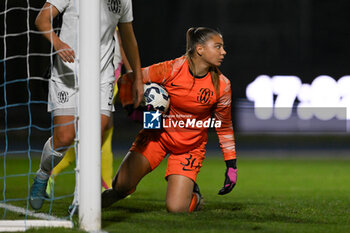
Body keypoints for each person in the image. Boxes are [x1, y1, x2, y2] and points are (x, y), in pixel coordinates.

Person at [102, 27, 238, 213]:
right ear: (200, 49)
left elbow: (224, 127)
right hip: (156, 137)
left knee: (176, 208)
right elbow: (128, 80)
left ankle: (194, 197)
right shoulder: (171, 69)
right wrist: (136, 114)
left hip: (189, 147)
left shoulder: (222, 85)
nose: (224, 52)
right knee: (120, 187)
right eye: (218, 47)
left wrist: (231, 165)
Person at [29, 0, 143, 211]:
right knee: (64, 137)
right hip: (67, 73)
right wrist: (58, 43)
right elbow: (42, 19)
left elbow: (128, 37)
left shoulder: (123, 0)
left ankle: (80, 200)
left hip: (102, 77)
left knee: (93, 137)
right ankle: (43, 174)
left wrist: (137, 77)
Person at [45, 28, 133, 198]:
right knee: (94, 129)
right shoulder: (88, 13)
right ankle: (52, 172)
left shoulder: (114, 9)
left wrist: (129, 71)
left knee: (106, 128)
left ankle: (104, 184)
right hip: (95, 76)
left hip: (112, 74)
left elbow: (121, 43)